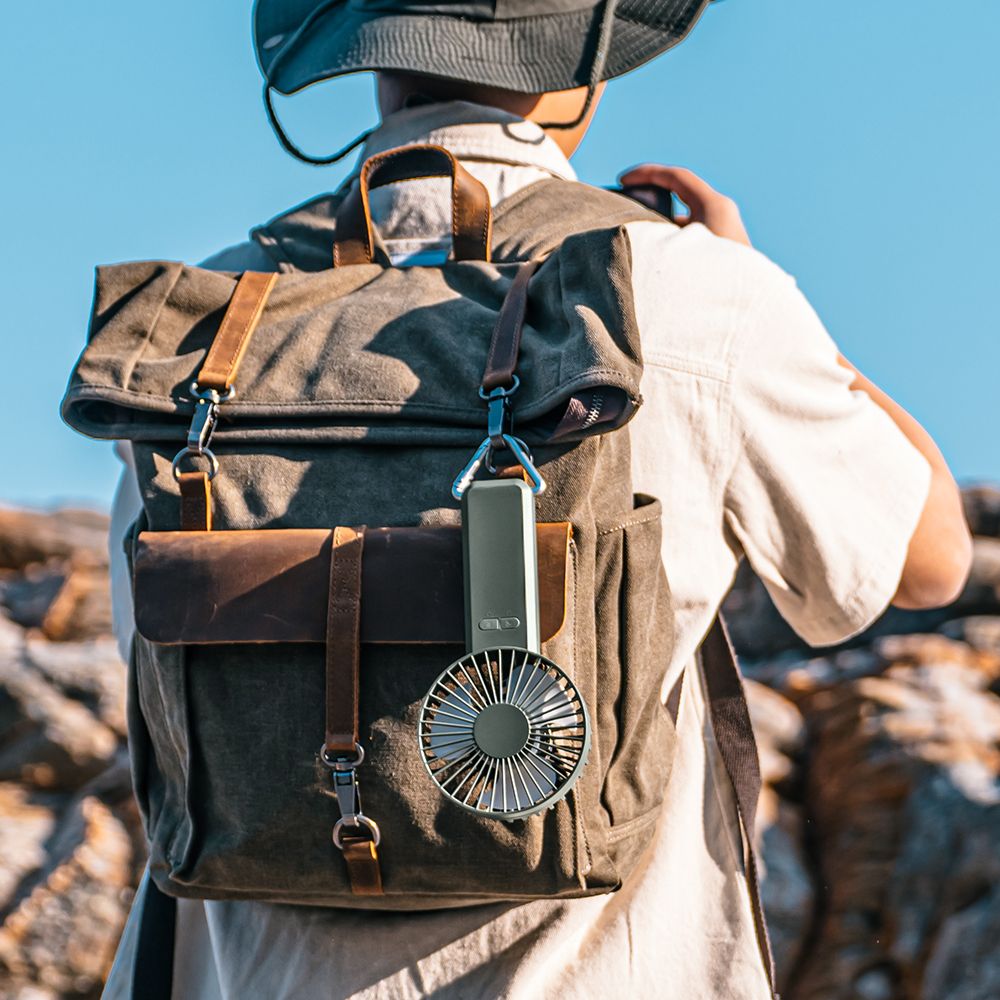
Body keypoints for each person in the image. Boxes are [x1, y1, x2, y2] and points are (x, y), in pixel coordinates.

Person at [102, 1, 973, 997]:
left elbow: (158, 661)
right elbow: (927, 556)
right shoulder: (690, 289)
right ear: (584, 60)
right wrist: (764, 289)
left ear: (362, 48)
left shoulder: (205, 324)